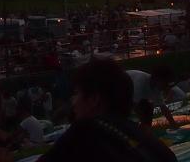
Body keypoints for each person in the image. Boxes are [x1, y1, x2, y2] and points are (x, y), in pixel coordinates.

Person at [39, 58, 175, 162]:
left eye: (76, 93)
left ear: (94, 99)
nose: (73, 101)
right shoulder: (156, 146)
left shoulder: (85, 130)